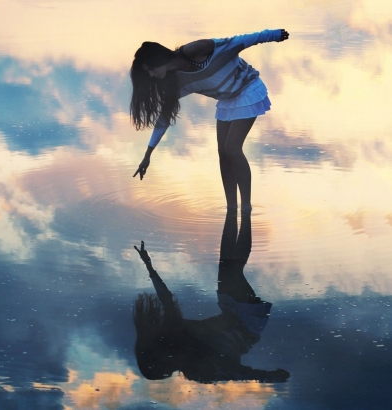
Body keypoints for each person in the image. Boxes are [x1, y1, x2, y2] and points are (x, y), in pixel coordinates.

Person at [131, 29, 289, 213]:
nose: (150, 75)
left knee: (232, 148)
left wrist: (272, 35)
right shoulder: (174, 82)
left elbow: (236, 42)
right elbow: (163, 119)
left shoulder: (193, 51)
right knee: (223, 153)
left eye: (150, 68)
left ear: (157, 59)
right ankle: (231, 207)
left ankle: (246, 207)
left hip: (247, 88)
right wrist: (147, 155)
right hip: (228, 100)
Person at [132, 210, 290, 383]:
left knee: (226, 264)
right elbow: (239, 373)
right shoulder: (200, 372)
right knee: (233, 270)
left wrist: (150, 267)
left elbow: (166, 299)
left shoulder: (174, 333)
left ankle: (235, 211)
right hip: (246, 324)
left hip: (229, 311)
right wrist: (270, 377)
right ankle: (245, 214)